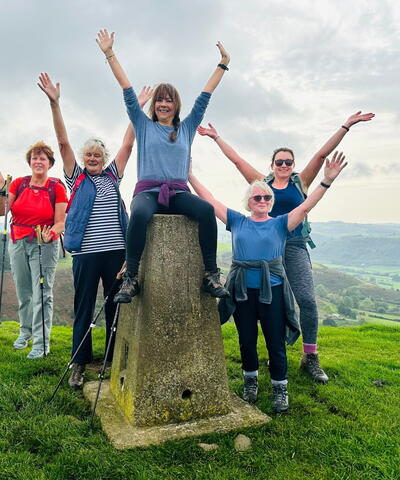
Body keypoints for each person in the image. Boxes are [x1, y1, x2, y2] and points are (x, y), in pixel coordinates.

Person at [196, 111, 374, 382]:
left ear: (293, 164)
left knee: (307, 301)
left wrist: (346, 126)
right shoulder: (262, 184)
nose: (284, 165)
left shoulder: (299, 182)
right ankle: (274, 352)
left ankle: (310, 356)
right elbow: (236, 161)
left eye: (288, 162)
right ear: (272, 164)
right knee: (273, 302)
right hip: (265, 249)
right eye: (279, 162)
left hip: (293, 245)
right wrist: (216, 137)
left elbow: (320, 155)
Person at [189, 152, 347, 412]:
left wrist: (326, 181)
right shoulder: (237, 221)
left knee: (275, 341)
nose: (262, 200)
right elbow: (210, 200)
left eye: (266, 197)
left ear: (271, 202)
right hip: (242, 291)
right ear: (249, 202)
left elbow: (306, 206)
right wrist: (190, 175)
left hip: (272, 291)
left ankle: (279, 387)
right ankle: (250, 381)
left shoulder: (280, 224)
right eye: (257, 197)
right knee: (246, 339)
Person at [95, 29, 231, 303]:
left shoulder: (188, 127)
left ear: (175, 105)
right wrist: (110, 54)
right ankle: (131, 278)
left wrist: (223, 64)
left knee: (205, 211)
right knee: (140, 213)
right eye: (160, 100)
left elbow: (206, 95)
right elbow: (127, 90)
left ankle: (211, 274)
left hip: (178, 193)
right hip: (148, 192)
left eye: (169, 100)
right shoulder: (143, 126)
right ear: (154, 105)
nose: (163, 104)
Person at [38, 72, 153, 388]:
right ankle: (79, 364)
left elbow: (128, 143)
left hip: (117, 253)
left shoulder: (113, 176)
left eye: (97, 155)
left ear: (103, 159)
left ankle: (112, 361)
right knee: (83, 309)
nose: (91, 158)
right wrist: (54, 103)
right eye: (88, 154)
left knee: (117, 307)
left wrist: (137, 108)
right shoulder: (75, 178)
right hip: (87, 255)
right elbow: (62, 143)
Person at [0, 142, 67, 359]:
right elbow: (0, 211)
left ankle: (42, 344)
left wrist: (50, 233)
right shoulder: (18, 185)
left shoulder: (57, 188)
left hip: (44, 244)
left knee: (42, 294)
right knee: (24, 292)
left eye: (43, 158)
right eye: (35, 158)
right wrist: (1, 190)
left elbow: (61, 223)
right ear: (30, 162)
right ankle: (25, 333)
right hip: (18, 242)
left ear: (50, 163)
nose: (38, 161)